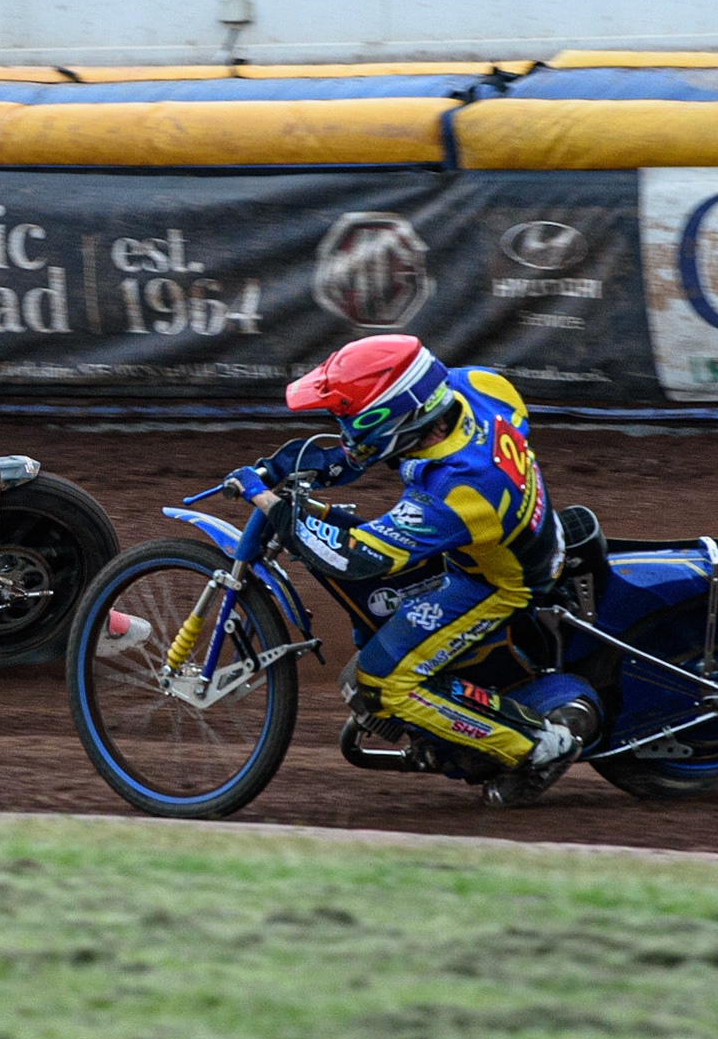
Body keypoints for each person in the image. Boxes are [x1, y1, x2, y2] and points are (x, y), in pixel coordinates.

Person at [225, 334, 589, 806]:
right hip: (515, 534)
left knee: (383, 681)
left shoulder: (459, 489)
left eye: (348, 417)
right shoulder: (476, 386)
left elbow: (358, 556)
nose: (343, 427)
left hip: (499, 583)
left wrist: (270, 503)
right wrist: (305, 463)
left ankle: (538, 746)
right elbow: (366, 449)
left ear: (392, 416)